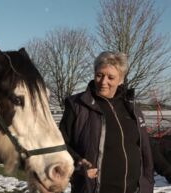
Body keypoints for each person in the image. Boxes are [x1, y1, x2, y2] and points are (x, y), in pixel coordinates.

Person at [59, 51, 154, 193]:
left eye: (111, 77)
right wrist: (78, 163)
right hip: (93, 188)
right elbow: (60, 144)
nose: (103, 82)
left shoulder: (132, 108)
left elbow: (145, 150)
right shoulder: (77, 105)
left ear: (121, 79)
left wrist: (147, 182)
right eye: (99, 75)